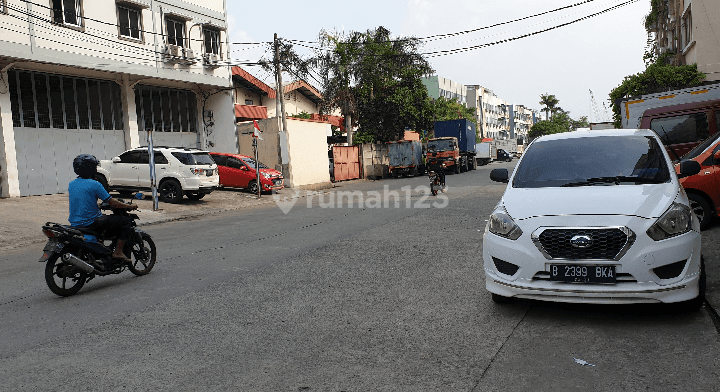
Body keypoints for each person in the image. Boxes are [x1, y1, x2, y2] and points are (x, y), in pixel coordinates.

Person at [68, 154, 138, 262]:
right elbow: (112, 202)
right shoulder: (95, 184)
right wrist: (129, 206)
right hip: (91, 222)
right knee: (125, 221)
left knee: (106, 222)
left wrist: (98, 206)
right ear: (91, 168)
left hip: (75, 222)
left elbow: (84, 200)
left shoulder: (72, 184)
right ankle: (118, 252)